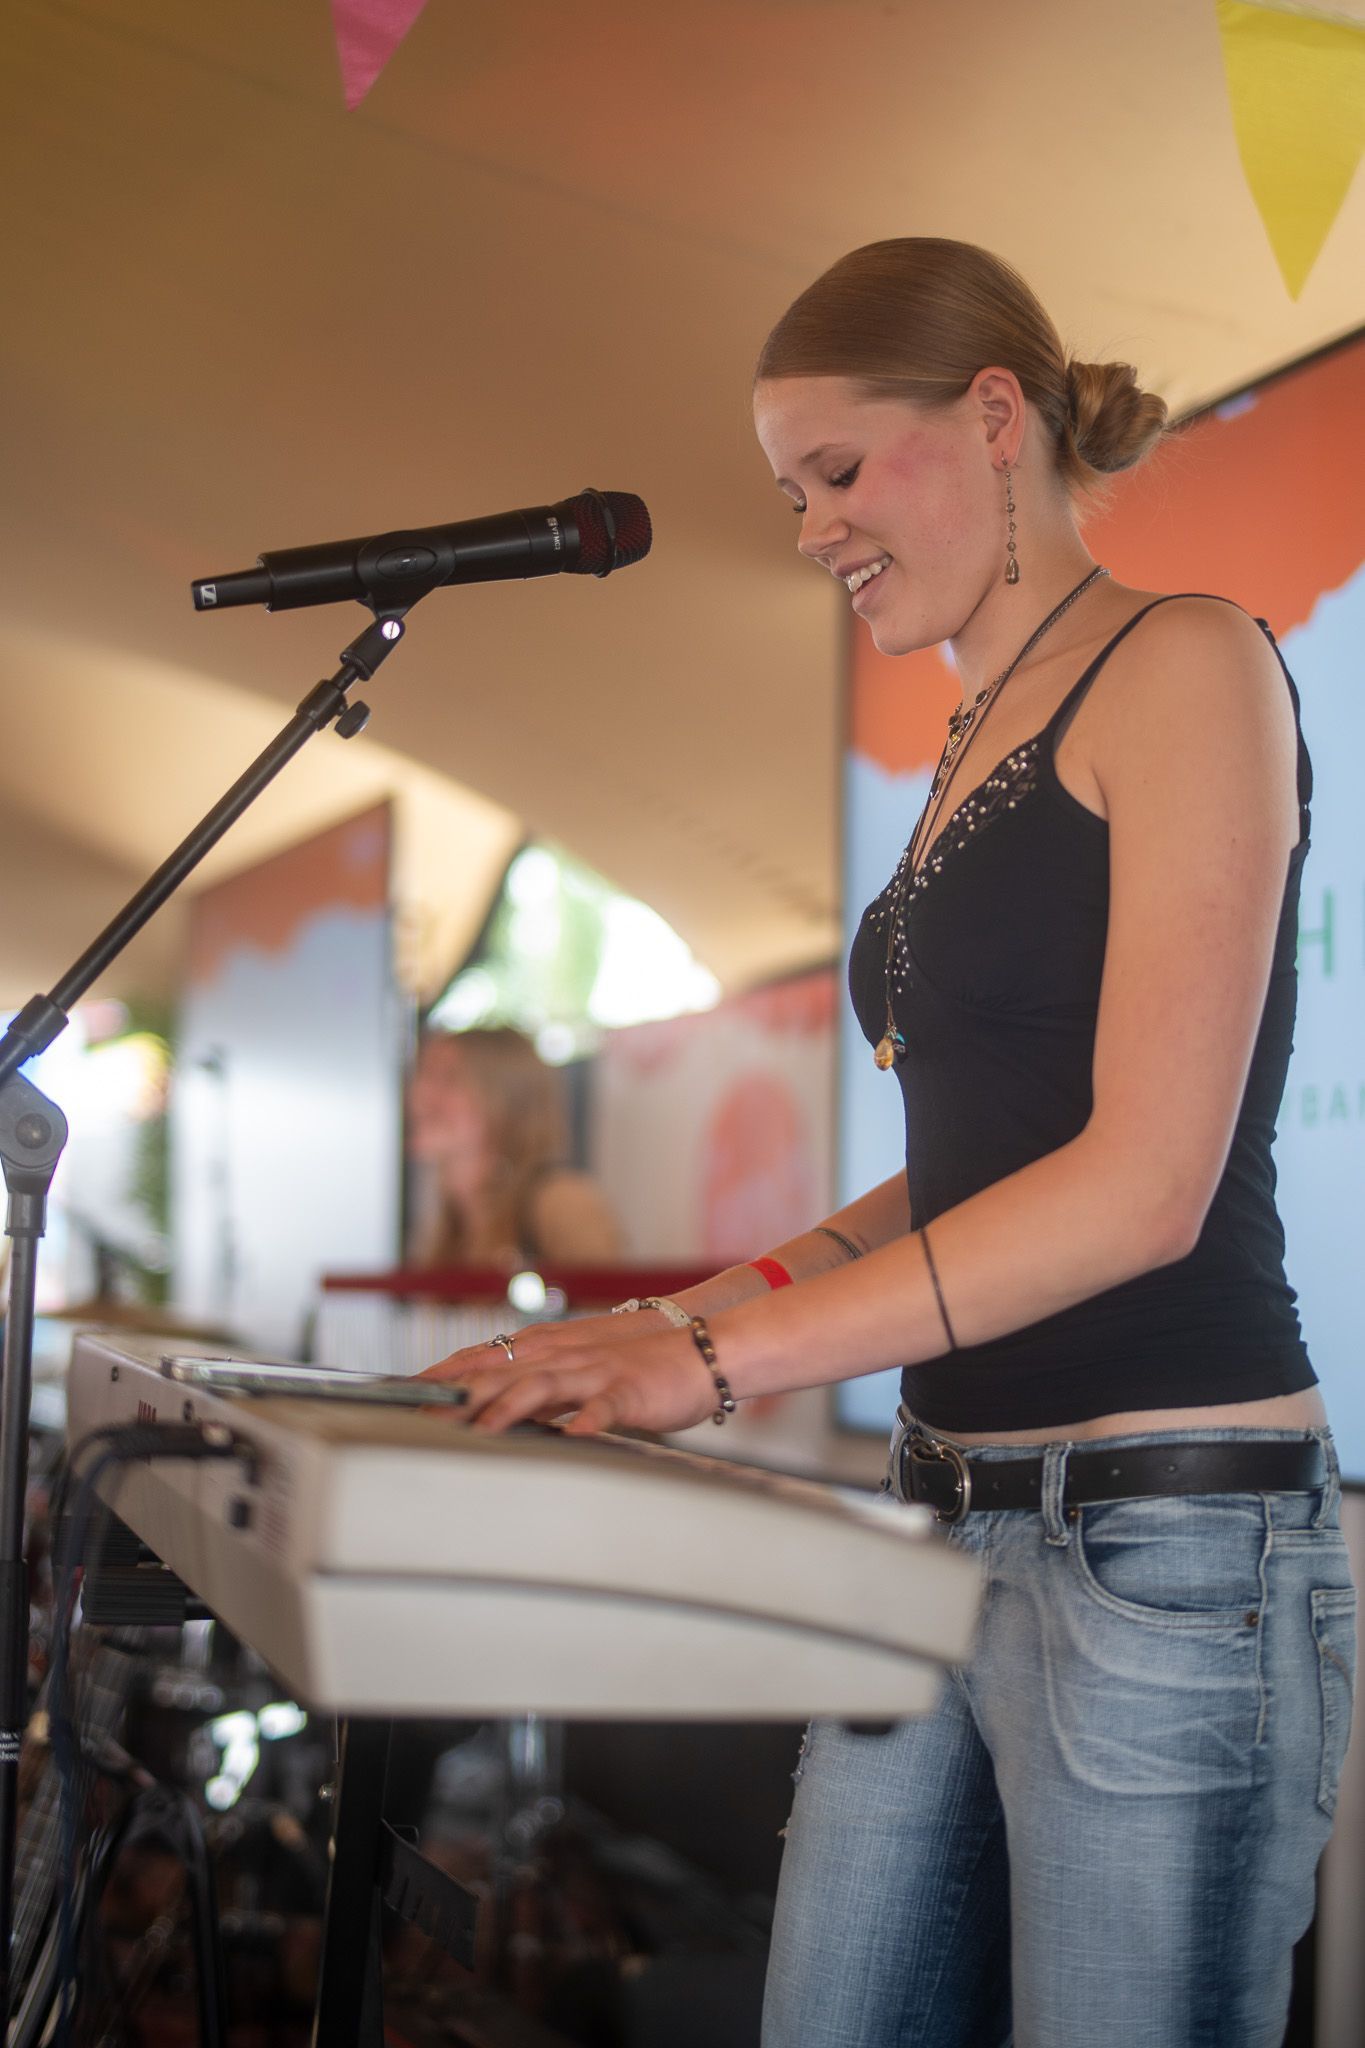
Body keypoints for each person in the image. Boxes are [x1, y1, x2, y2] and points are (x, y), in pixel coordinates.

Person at [420, 239, 1356, 2046]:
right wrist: (673, 1315)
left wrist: (712, 1362)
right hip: (942, 1520)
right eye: (792, 494)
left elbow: (1142, 1185)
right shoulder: (966, 736)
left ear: (995, 416)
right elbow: (975, 1172)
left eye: (837, 471)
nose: (811, 530)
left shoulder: (1186, 661)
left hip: (1164, 1544)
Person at [405, 1025, 623, 1268]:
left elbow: (609, 1292)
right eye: (424, 1075)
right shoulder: (450, 1222)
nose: (419, 1096)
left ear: (508, 1098)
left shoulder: (559, 1202)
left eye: (449, 1079)